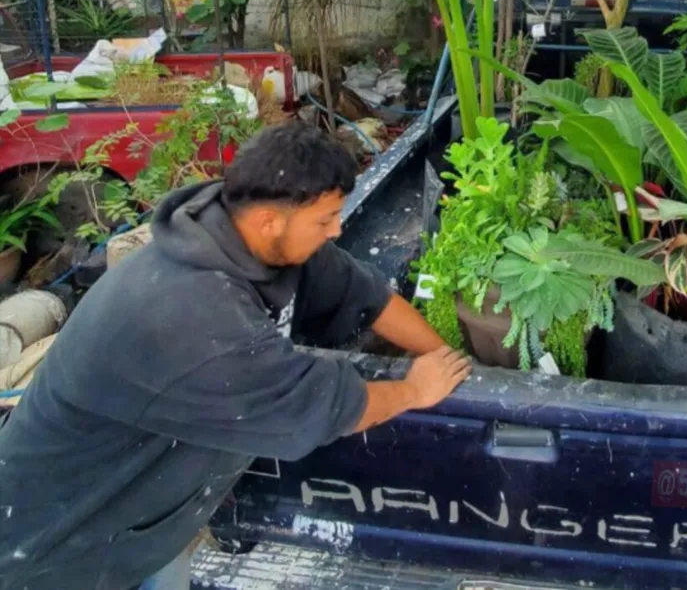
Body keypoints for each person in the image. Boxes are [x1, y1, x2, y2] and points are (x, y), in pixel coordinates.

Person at [0, 122, 471, 590]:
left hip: (146, 522)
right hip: (58, 549)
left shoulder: (258, 237)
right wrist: (414, 390)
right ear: (269, 221)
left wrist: (445, 354)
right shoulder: (194, 317)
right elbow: (318, 407)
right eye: (325, 219)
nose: (337, 229)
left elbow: (362, 293)